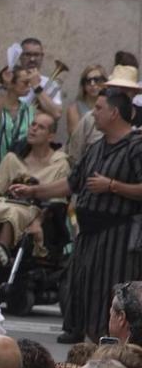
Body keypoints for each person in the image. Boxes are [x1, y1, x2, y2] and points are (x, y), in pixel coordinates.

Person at [57, 69, 142, 344]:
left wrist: (112, 185)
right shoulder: (95, 147)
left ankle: (115, 348)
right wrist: (33, 189)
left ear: (114, 112)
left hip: (118, 235)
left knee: (112, 291)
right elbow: (72, 183)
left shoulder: (136, 146)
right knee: (82, 287)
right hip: (88, 233)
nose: (93, 113)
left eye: (99, 108)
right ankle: (86, 339)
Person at [0, 110, 70, 259]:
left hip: (39, 215)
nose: (34, 129)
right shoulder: (12, 159)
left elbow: (58, 204)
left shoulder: (60, 164)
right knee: (0, 206)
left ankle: (1, 248)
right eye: (33, 124)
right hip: (5, 205)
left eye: (41, 127)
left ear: (51, 136)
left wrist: (38, 222)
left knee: (13, 211)